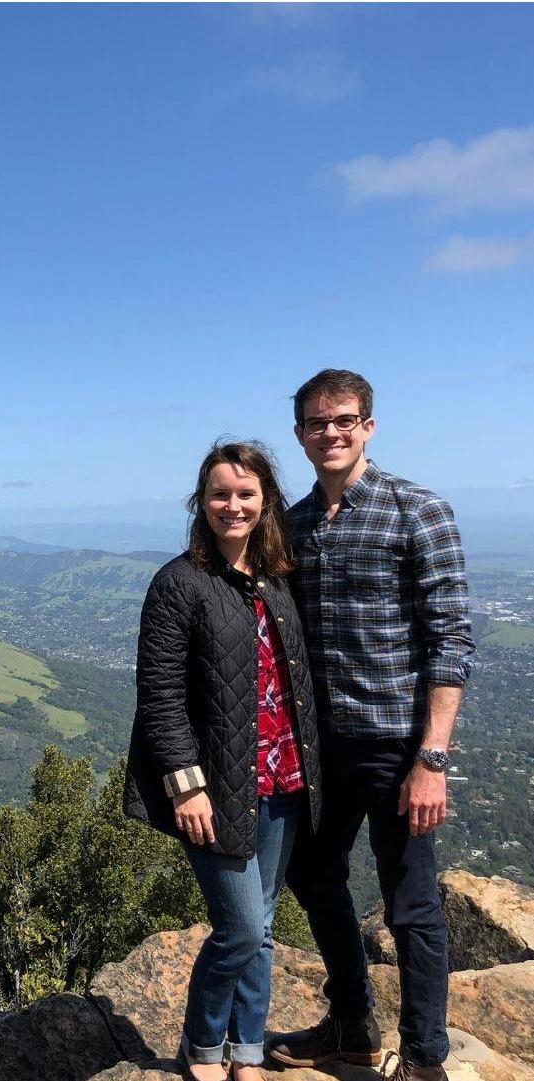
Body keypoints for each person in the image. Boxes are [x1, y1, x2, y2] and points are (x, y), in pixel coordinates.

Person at [267, 370, 475, 1081]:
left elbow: (451, 638)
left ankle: (423, 1060)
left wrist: (432, 757)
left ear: (369, 426)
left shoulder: (415, 509)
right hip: (318, 749)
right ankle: (350, 1023)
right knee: (310, 871)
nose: (331, 432)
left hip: (396, 746)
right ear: (299, 433)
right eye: (317, 422)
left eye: (344, 420)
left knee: (409, 903)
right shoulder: (290, 523)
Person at [123, 441, 322, 1081]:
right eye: (219, 494)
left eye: (245, 494)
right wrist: (186, 788)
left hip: (284, 777)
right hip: (218, 787)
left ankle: (250, 1049)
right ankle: (204, 1045)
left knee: (261, 928)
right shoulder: (180, 584)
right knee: (238, 929)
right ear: (200, 503)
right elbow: (159, 696)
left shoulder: (277, 579)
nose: (231, 506)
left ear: (264, 502)